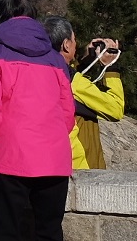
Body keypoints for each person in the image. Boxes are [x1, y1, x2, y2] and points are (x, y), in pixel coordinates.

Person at [0, 0, 75, 241]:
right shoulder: (55, 59)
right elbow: (67, 114)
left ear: (0, 17)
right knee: (49, 235)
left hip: (12, 158)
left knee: (7, 236)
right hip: (55, 160)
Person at [41, 17, 125, 169]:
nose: (76, 43)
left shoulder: (40, 71)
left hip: (50, 162)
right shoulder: (71, 81)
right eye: (74, 39)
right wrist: (111, 67)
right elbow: (116, 108)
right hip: (79, 167)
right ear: (66, 45)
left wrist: (86, 60)